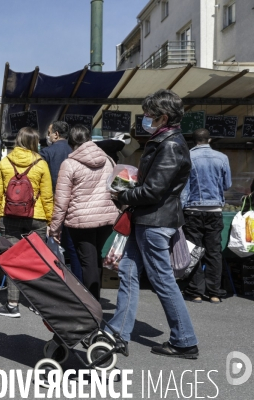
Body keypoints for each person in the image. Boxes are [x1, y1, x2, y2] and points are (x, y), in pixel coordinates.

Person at [106, 89, 198, 359]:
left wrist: (123, 194)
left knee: (162, 280)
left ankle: (185, 340)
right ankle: (119, 331)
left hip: (155, 221)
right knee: (128, 272)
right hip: (149, 218)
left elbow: (154, 191)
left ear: (164, 117)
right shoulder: (164, 140)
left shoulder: (169, 144)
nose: (145, 119)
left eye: (149, 115)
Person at [49, 124, 117, 301]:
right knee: (95, 259)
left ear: (71, 141)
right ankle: (96, 301)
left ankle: (91, 306)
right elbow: (116, 188)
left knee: (87, 262)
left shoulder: (69, 164)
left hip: (81, 221)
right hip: (106, 219)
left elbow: (62, 200)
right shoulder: (108, 160)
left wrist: (55, 228)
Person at [0, 127, 53, 318]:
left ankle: (12, 304)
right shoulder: (41, 164)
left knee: (13, 260)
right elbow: (47, 196)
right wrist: (50, 220)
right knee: (37, 261)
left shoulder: (5, 162)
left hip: (9, 216)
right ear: (35, 142)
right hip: (37, 217)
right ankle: (38, 304)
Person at [181, 128, 231, 304]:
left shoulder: (188, 156)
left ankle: (195, 292)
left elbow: (183, 187)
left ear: (194, 141)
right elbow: (227, 184)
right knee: (214, 252)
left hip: (192, 210)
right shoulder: (222, 158)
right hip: (214, 211)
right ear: (209, 140)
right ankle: (214, 293)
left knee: (194, 251)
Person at [39, 121, 82, 281]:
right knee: (74, 249)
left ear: (56, 134)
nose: (48, 136)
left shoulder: (46, 152)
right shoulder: (75, 151)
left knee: (49, 248)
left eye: (49, 132)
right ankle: (78, 286)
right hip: (75, 206)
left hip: (53, 206)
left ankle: (52, 283)